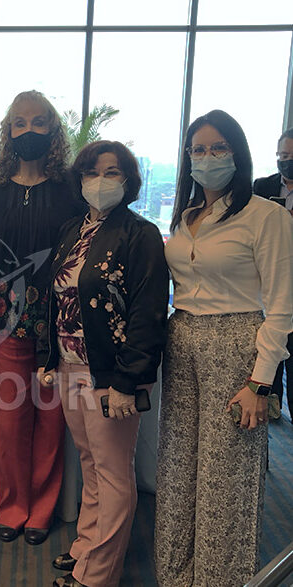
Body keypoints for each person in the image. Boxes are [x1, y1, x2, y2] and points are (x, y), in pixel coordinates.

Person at [155, 110, 293, 586]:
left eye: (218, 148)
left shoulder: (266, 216)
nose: (207, 158)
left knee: (225, 476)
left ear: (238, 153)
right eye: (197, 149)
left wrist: (261, 381)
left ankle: (219, 579)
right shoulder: (188, 215)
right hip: (184, 341)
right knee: (177, 467)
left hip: (236, 348)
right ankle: (176, 574)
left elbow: (280, 309)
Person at [37, 141, 169, 587]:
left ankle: (98, 575)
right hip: (71, 365)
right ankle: (87, 548)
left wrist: (129, 380)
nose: (100, 181)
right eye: (92, 172)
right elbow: (57, 298)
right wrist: (49, 357)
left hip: (111, 375)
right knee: (91, 462)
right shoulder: (73, 229)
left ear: (129, 181)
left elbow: (148, 314)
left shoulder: (140, 234)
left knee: (113, 472)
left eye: (112, 173)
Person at [0, 90, 83, 545]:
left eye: (39, 122)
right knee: (11, 420)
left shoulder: (71, 190)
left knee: (50, 418)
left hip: (60, 320)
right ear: (7, 132)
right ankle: (13, 506)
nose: (29, 131)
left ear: (53, 131)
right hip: (2, 319)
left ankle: (41, 510)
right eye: (19, 123)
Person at [253, 127, 293, 416]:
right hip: (267, 278)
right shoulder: (262, 186)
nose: (285, 160)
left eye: (290, 155)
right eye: (282, 154)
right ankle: (272, 399)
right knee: (269, 342)